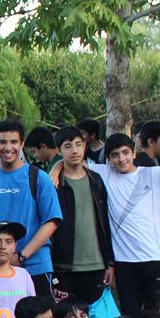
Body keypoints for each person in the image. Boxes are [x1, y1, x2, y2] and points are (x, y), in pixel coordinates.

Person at [87, 127, 160, 318]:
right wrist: (56, 169)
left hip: (154, 257)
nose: (121, 159)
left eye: (125, 152)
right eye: (115, 155)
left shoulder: (153, 174)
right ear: (109, 159)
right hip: (124, 261)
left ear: (134, 153)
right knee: (130, 315)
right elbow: (72, 162)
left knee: (156, 315)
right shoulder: (105, 173)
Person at [0, 119, 62, 297]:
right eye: (3, 142)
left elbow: (51, 221)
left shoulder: (38, 178)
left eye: (14, 142)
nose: (8, 148)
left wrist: (21, 256)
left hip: (37, 266)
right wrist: (1, 256)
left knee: (42, 314)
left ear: (22, 144)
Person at [49, 127, 113, 305]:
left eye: (78, 144)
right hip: (63, 264)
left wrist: (110, 263)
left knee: (94, 314)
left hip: (96, 262)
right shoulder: (53, 183)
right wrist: (55, 169)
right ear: (59, 150)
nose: (75, 151)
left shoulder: (96, 180)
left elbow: (105, 221)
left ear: (85, 146)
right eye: (68, 146)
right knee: (66, 313)